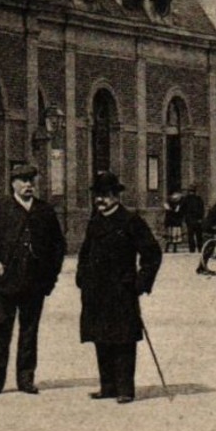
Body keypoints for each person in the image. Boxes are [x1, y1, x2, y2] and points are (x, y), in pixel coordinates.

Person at [0, 163, 66, 396]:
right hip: (4, 282)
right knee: (0, 329)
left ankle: (26, 379)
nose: (28, 185)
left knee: (29, 331)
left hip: (34, 283)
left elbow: (58, 246)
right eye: (23, 180)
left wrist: (50, 277)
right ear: (13, 183)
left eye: (31, 180)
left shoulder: (45, 211)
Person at [76, 171, 163, 404]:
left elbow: (152, 254)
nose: (99, 200)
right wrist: (81, 276)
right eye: (97, 196)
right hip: (95, 290)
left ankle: (125, 389)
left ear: (116, 196)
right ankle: (108, 387)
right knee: (100, 337)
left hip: (121, 290)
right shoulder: (96, 220)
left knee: (123, 339)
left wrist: (140, 282)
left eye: (104, 195)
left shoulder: (130, 221)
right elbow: (85, 252)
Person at [180, 185, 206, 258]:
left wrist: (184, 218)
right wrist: (201, 218)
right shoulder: (198, 199)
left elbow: (182, 209)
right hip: (198, 220)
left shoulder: (186, 199)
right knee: (199, 235)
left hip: (190, 220)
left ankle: (192, 249)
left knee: (191, 235)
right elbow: (202, 209)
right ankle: (200, 248)